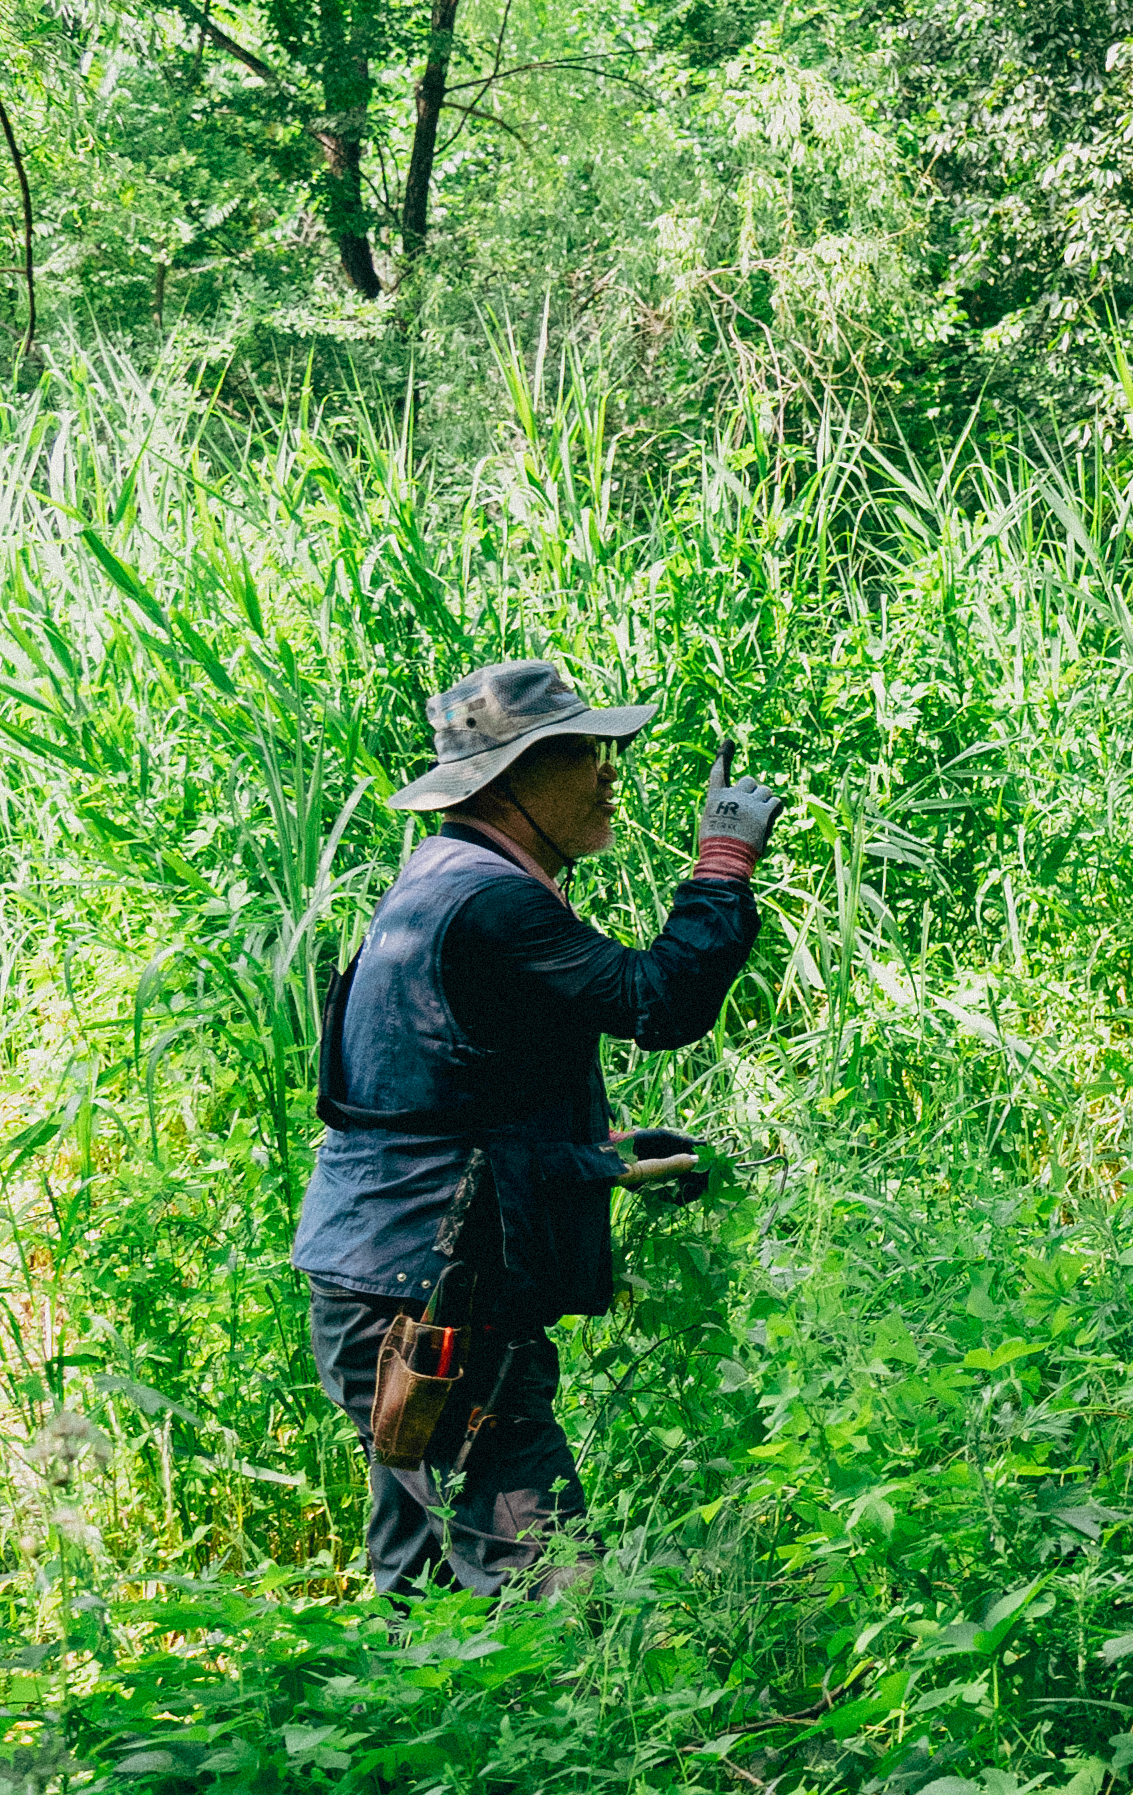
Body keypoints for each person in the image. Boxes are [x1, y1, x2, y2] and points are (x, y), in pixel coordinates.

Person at [292, 662, 780, 1594]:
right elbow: (659, 1001)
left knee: (421, 1584)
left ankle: (397, 1729)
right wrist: (722, 864)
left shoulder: (441, 880)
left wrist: (604, 1163)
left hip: (387, 1284)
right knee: (548, 1581)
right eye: (582, 753)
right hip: (432, 1303)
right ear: (508, 779)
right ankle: (614, 1731)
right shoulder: (493, 900)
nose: (609, 773)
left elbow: (439, 1116)